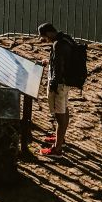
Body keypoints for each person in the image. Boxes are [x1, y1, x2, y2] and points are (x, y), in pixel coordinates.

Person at [37, 22, 69, 157]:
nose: (45, 40)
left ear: (49, 33)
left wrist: (53, 86)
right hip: (66, 83)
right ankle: (59, 138)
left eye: (44, 37)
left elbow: (58, 69)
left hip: (59, 85)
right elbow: (61, 62)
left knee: (59, 116)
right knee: (64, 110)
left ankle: (57, 150)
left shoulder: (58, 45)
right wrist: (48, 61)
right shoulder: (65, 38)